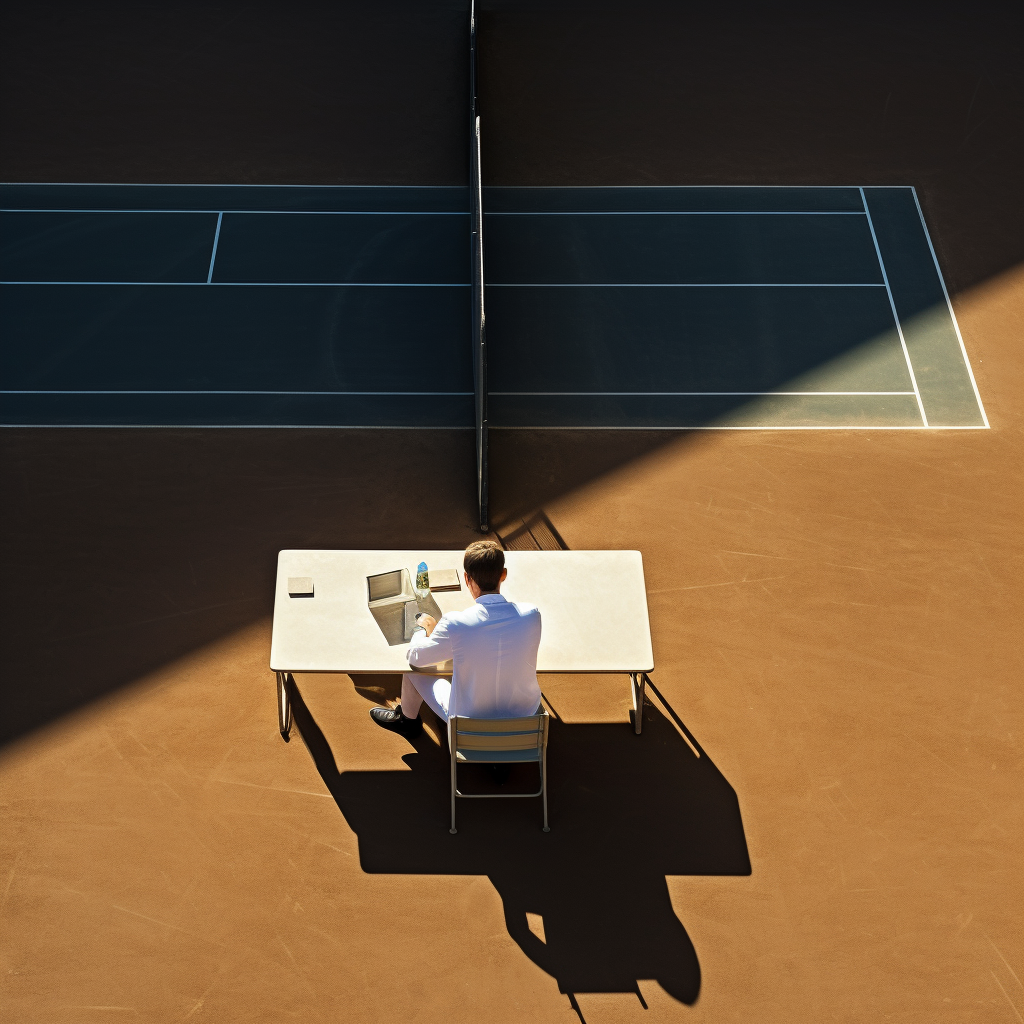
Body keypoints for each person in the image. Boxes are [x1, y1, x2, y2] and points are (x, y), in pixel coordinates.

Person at [370, 540, 542, 738]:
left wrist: (425, 629)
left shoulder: (456, 623)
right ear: (503, 574)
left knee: (413, 673)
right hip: (525, 719)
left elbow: (415, 658)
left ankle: (407, 721)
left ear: (467, 578)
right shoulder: (532, 614)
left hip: (469, 724)